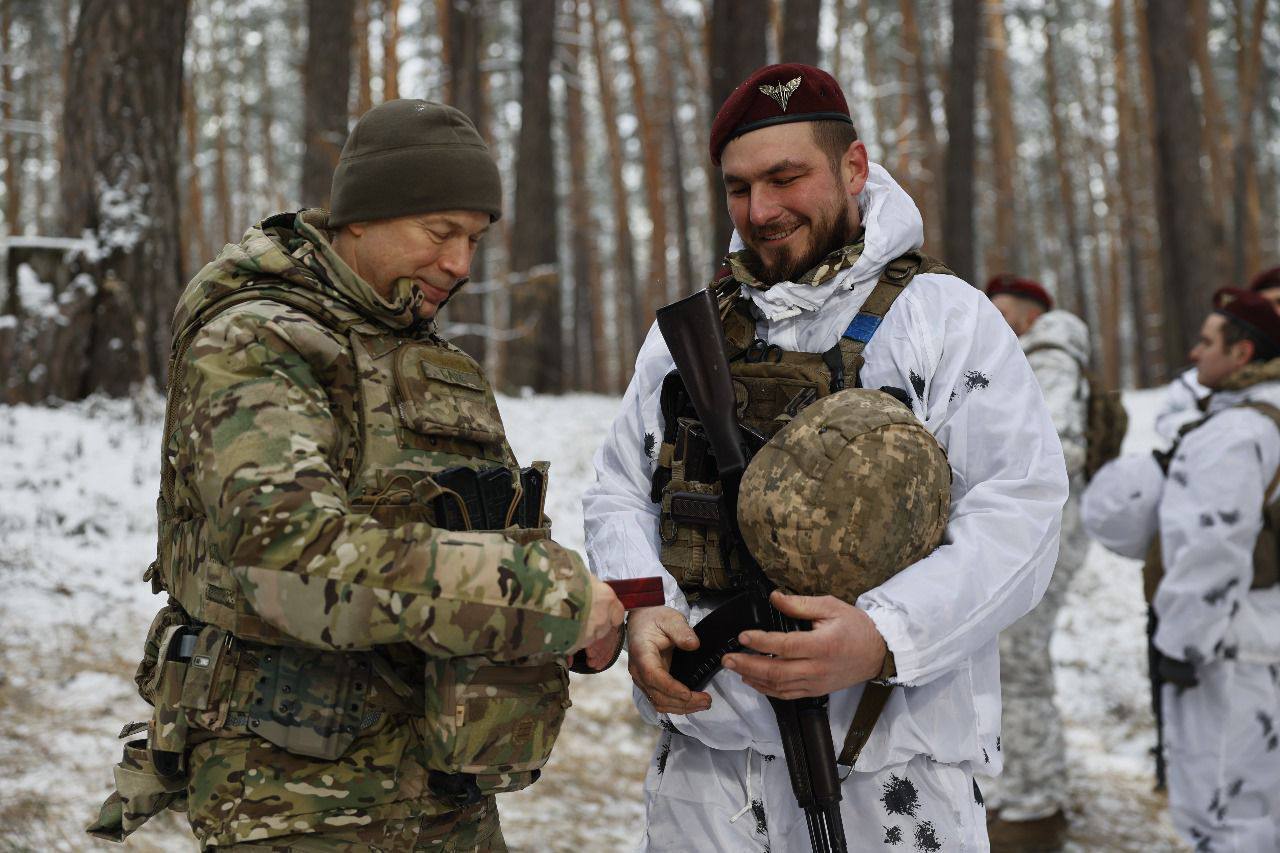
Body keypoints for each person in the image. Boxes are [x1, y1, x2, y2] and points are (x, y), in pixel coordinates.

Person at [88, 99, 623, 851]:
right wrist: (551, 597)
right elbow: (292, 561)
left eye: (474, 239)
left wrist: (566, 630)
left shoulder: (423, 358)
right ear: (362, 216)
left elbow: (477, 546)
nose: (460, 264)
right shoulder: (257, 339)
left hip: (443, 794)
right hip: (296, 805)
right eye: (441, 233)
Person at [583, 63, 1068, 851]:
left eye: (785, 178)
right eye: (739, 188)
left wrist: (883, 635)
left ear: (853, 167)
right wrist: (647, 605)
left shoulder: (942, 320)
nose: (761, 211)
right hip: (710, 759)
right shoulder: (692, 332)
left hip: (892, 759)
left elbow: (1021, 511)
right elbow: (619, 487)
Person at [1085, 288, 1280, 850]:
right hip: (1261, 638)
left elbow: (1210, 548)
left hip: (1229, 655)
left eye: (1206, 342)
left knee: (1222, 814)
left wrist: (1181, 645)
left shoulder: (1234, 432)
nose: (1194, 355)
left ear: (1242, 354)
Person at [982, 275, 1090, 850]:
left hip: (1045, 535)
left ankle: (1036, 807)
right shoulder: (1036, 358)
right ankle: (1017, 791)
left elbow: (1054, 447)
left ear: (1026, 315)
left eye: (1001, 311)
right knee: (1009, 663)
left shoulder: (1048, 358)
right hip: (1033, 534)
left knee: (1020, 665)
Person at [1155, 266, 1280, 441]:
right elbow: (1167, 417)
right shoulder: (1197, 379)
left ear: (1242, 353)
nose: (1276, 311)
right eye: (1268, 303)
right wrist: (1208, 429)